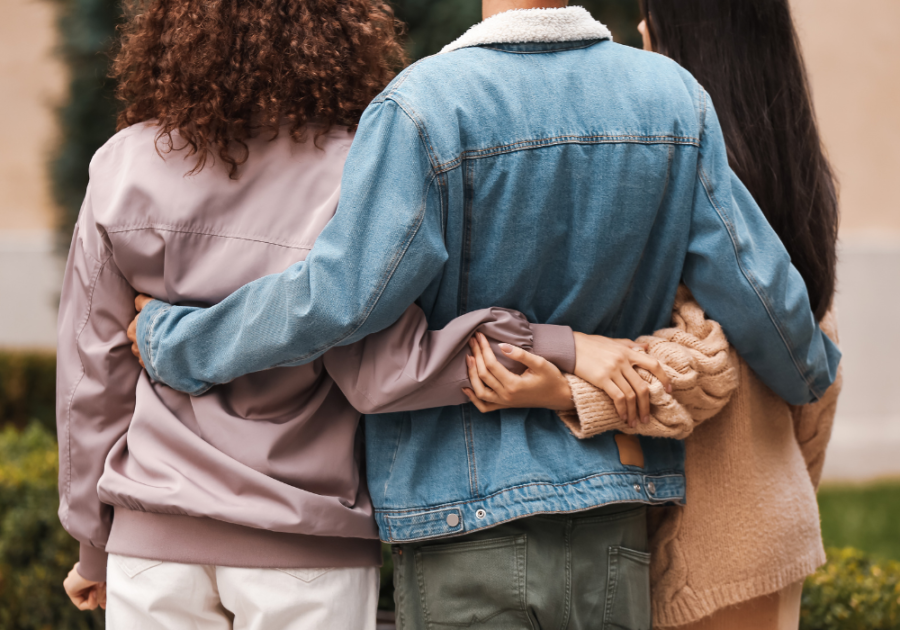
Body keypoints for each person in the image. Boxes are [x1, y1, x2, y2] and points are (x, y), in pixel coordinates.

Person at [128, 0, 841, 627]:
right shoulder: (675, 100)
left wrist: (176, 341)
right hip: (611, 513)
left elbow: (337, 298)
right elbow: (762, 291)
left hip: (459, 521)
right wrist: (810, 371)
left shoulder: (422, 108)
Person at [55, 0, 655, 626]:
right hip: (305, 545)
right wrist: (558, 345)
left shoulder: (121, 164)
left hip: (152, 546)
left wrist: (93, 547)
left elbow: (91, 381)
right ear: (337, 30)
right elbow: (385, 373)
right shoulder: (358, 169)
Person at [469, 1, 843, 628]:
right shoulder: (787, 172)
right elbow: (816, 381)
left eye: (653, 18)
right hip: (765, 523)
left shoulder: (695, 180)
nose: (639, 33)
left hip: (718, 545)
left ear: (697, 43)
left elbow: (707, 358)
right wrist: (787, 485)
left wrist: (569, 387)